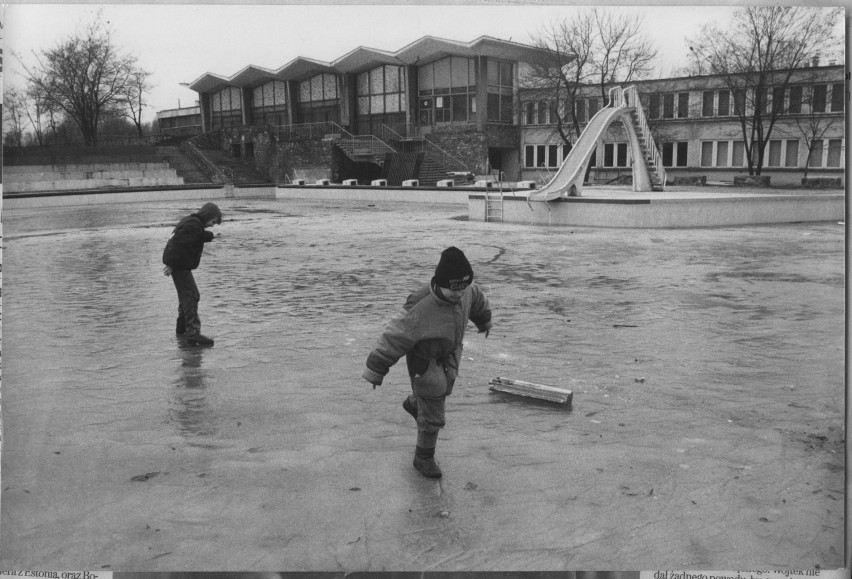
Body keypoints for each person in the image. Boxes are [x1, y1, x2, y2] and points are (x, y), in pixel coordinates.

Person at [362, 246, 493, 479]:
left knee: (444, 387)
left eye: (462, 289)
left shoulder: (466, 290)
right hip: (424, 359)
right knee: (434, 408)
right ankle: (423, 457)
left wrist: (484, 321)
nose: (459, 295)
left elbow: (477, 302)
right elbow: (394, 336)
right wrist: (376, 368)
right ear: (439, 282)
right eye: (453, 290)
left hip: (450, 351)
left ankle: (415, 404)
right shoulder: (421, 307)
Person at [162, 202, 223, 347]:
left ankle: (181, 330)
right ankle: (193, 334)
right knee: (191, 296)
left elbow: (197, 236)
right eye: (213, 221)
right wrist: (171, 264)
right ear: (207, 215)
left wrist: (212, 236)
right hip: (179, 266)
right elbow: (177, 243)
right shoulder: (193, 225)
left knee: (187, 297)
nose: (212, 225)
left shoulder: (192, 222)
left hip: (179, 265)